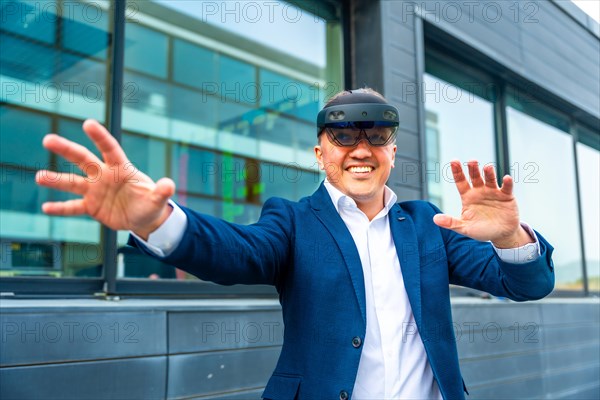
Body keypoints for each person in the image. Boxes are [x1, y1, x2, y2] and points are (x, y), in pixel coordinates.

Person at [36, 88, 554, 400]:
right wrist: (158, 221)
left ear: (393, 152)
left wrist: (511, 237)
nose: (361, 149)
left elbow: (525, 284)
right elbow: (235, 252)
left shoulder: (429, 225)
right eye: (344, 137)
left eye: (376, 137)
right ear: (320, 153)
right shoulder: (292, 221)